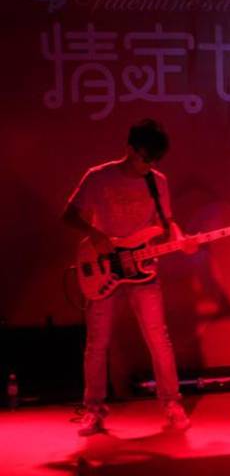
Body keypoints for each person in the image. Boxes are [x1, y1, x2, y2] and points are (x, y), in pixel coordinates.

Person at [63, 119, 191, 435]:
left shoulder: (158, 182)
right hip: (104, 269)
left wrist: (181, 239)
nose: (150, 166)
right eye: (145, 159)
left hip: (143, 270)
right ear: (130, 149)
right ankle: (93, 408)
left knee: (158, 338)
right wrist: (95, 234)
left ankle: (172, 403)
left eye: (155, 160)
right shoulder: (98, 177)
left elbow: (168, 223)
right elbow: (69, 215)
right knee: (97, 343)